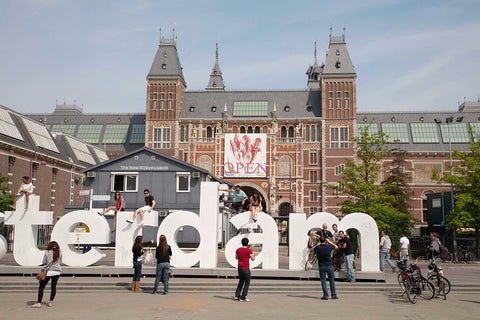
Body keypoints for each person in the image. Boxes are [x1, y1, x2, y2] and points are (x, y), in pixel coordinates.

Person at [31, 241, 61, 308]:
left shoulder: (47, 252)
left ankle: (39, 302)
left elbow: (44, 262)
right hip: (57, 272)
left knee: (41, 287)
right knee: (53, 287)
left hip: (48, 271)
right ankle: (50, 302)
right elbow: (60, 261)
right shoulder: (59, 252)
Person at [314, 236, 338, 300]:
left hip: (321, 265)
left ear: (320, 241)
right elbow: (336, 247)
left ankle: (325, 295)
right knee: (331, 280)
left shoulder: (318, 247)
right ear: (325, 240)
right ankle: (333, 294)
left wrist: (319, 243)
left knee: (323, 280)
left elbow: (313, 248)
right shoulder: (329, 246)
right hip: (329, 265)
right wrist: (329, 242)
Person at [234, 237, 255, 302]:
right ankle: (243, 297)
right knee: (247, 282)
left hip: (239, 268)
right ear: (247, 243)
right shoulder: (249, 250)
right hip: (246, 268)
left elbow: (236, 257)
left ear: (242, 243)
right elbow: (253, 259)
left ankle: (237, 295)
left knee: (241, 281)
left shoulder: (238, 250)